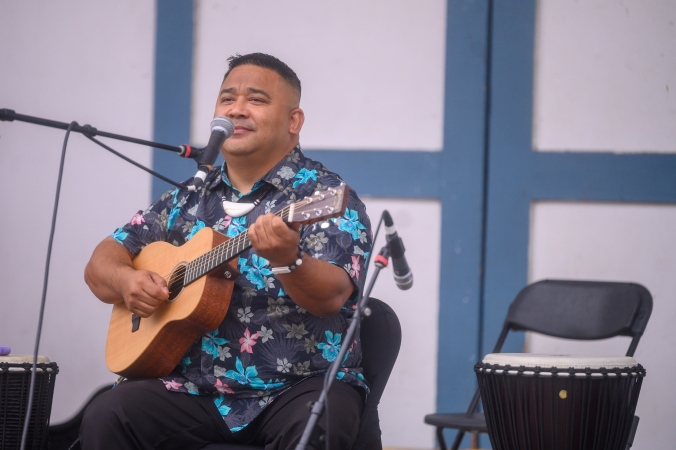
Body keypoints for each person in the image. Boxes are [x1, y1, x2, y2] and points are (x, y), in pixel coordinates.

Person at [80, 53, 372, 450]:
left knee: (320, 427)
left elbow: (332, 297)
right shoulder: (187, 197)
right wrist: (126, 280)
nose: (236, 109)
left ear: (293, 121)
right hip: (192, 389)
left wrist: (288, 259)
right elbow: (102, 262)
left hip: (298, 387)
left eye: (256, 99)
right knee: (108, 414)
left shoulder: (324, 196)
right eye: (227, 99)